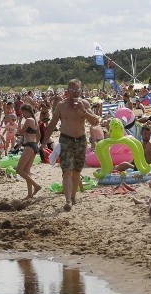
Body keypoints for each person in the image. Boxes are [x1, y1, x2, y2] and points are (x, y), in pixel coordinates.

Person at [42, 79, 100, 211]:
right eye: (73, 90)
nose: (76, 93)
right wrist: (44, 142)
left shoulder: (84, 104)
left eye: (78, 90)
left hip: (80, 140)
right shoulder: (61, 106)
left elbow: (95, 122)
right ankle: (68, 200)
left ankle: (73, 197)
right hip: (66, 140)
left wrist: (83, 111)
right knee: (67, 171)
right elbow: (52, 124)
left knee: (76, 171)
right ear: (68, 91)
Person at [15, 104, 42, 199]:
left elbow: (20, 133)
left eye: (23, 112)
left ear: (26, 111)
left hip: (29, 146)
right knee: (26, 171)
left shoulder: (28, 120)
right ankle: (30, 194)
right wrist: (37, 145)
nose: (22, 114)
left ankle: (36, 186)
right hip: (33, 146)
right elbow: (38, 134)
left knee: (19, 170)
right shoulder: (35, 120)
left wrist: (19, 122)